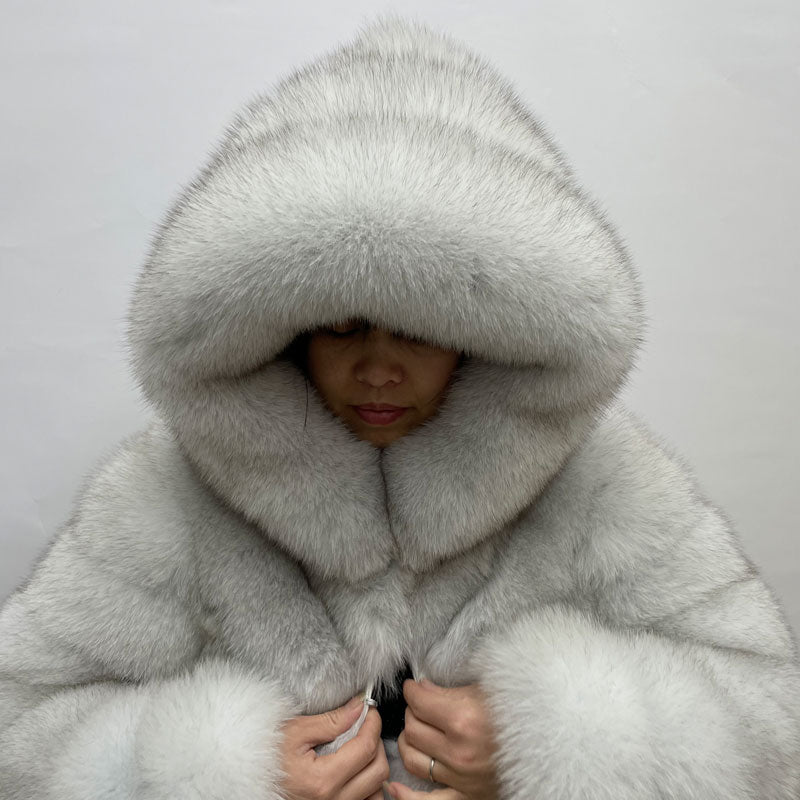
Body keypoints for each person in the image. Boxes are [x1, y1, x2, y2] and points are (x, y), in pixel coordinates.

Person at [1, 12, 799, 800]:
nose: (379, 369)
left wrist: (555, 744)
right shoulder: (169, 498)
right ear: (285, 329)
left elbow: (772, 721)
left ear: (482, 336)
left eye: (421, 330)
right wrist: (221, 772)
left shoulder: (600, 483)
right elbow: (19, 724)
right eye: (342, 325)